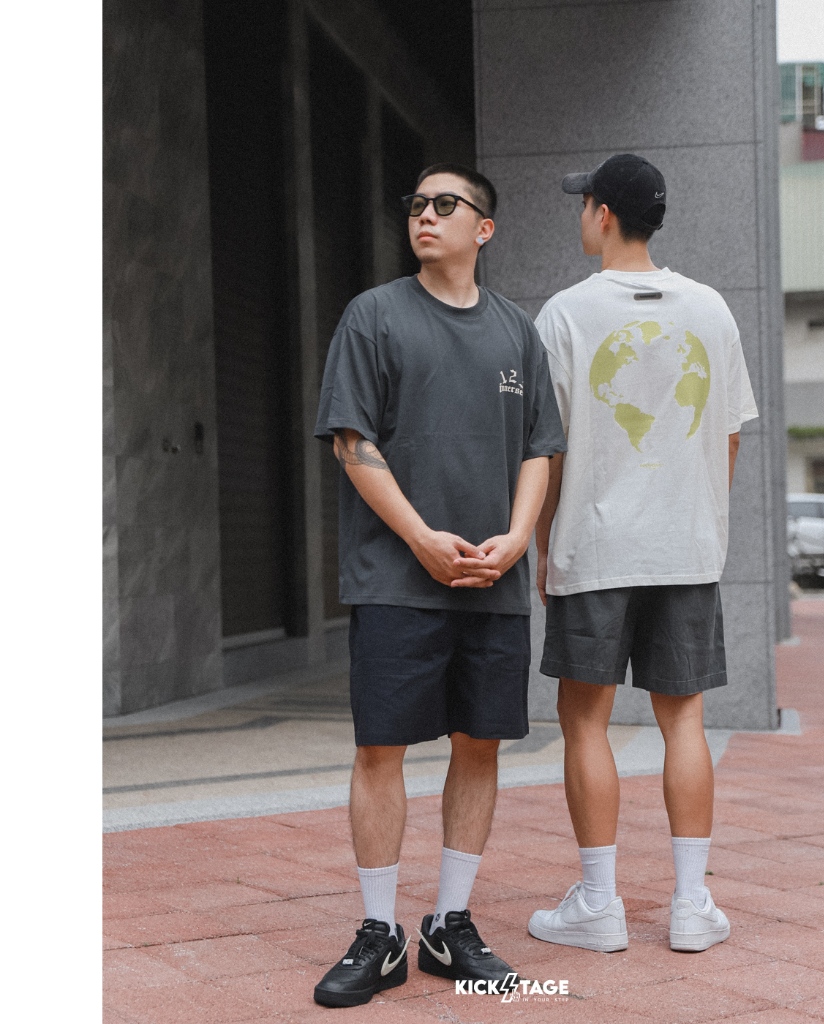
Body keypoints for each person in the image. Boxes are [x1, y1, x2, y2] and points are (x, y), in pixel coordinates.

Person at [312, 163, 566, 1007]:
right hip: (395, 578)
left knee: (480, 744)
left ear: (482, 229)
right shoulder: (374, 316)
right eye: (416, 204)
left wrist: (520, 537)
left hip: (492, 580)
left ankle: (449, 926)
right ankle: (379, 932)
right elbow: (351, 440)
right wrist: (419, 538)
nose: (425, 215)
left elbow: (540, 447)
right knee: (379, 749)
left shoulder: (517, 331)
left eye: (444, 205)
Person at [527, 153, 758, 955]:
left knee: (584, 719)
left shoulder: (564, 315)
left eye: (583, 204)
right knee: (683, 717)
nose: (580, 216)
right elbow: (728, 436)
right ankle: (691, 905)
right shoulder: (712, 310)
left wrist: (544, 547)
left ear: (601, 213)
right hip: (686, 547)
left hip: (593, 546)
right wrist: (704, 524)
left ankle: (600, 904)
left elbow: (548, 448)